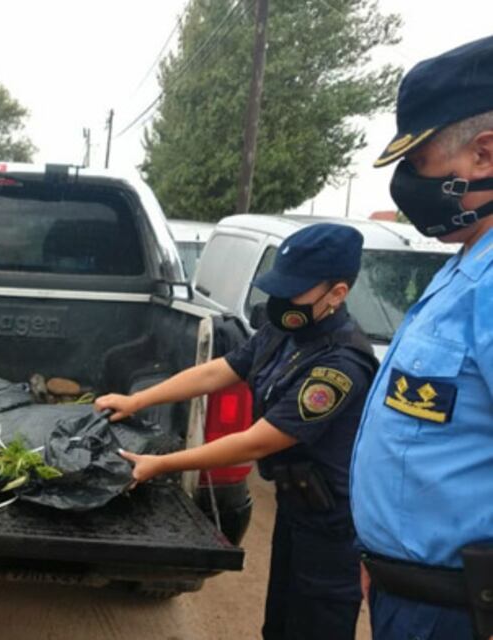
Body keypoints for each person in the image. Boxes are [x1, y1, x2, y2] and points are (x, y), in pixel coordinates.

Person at [96, 223, 378, 640]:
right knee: (279, 625)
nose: (280, 301)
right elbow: (218, 371)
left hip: (332, 523)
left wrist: (160, 464)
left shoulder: (340, 366)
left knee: (317, 629)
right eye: (278, 289)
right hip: (296, 506)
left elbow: (259, 440)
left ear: (337, 293)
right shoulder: (285, 330)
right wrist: (136, 400)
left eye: (294, 291)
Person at [350, 35, 493, 640]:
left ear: (484, 154)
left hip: (462, 610)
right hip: (416, 594)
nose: (407, 185)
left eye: (419, 163)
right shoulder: (466, 264)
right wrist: (384, 566)